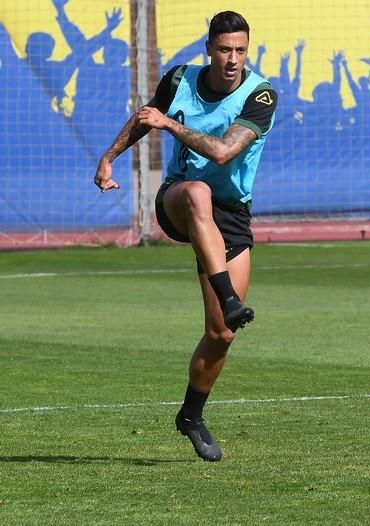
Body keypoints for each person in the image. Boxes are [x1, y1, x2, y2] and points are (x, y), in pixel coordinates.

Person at [93, 10, 278, 462]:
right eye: (224, 49)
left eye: (240, 50)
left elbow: (222, 152)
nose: (232, 59)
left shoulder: (262, 95)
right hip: (179, 199)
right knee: (196, 191)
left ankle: (190, 417)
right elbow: (144, 119)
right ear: (208, 48)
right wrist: (109, 157)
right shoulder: (180, 79)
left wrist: (170, 125)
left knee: (221, 334)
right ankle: (229, 297)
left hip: (231, 213)